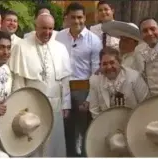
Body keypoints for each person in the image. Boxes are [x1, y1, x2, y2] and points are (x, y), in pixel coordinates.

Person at [9, 13, 71, 157]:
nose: (47, 32)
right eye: (43, 28)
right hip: (31, 105)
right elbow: (18, 80)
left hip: (55, 105)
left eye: (50, 29)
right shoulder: (21, 47)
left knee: (53, 144)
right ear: (35, 27)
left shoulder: (60, 48)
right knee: (33, 142)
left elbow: (65, 80)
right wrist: (19, 107)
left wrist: (66, 104)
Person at [55, 2, 102, 157]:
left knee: (84, 129)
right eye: (73, 17)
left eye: (80, 17)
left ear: (85, 18)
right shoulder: (59, 36)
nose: (77, 21)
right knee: (65, 127)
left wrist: (89, 97)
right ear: (67, 18)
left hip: (84, 89)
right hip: (62, 88)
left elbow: (96, 72)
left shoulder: (94, 40)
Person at [89, 47, 149, 118]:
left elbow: (145, 104)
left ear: (119, 62)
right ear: (100, 65)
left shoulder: (134, 77)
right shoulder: (95, 80)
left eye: (112, 62)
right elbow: (94, 110)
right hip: (107, 123)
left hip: (133, 120)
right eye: (104, 64)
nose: (109, 67)